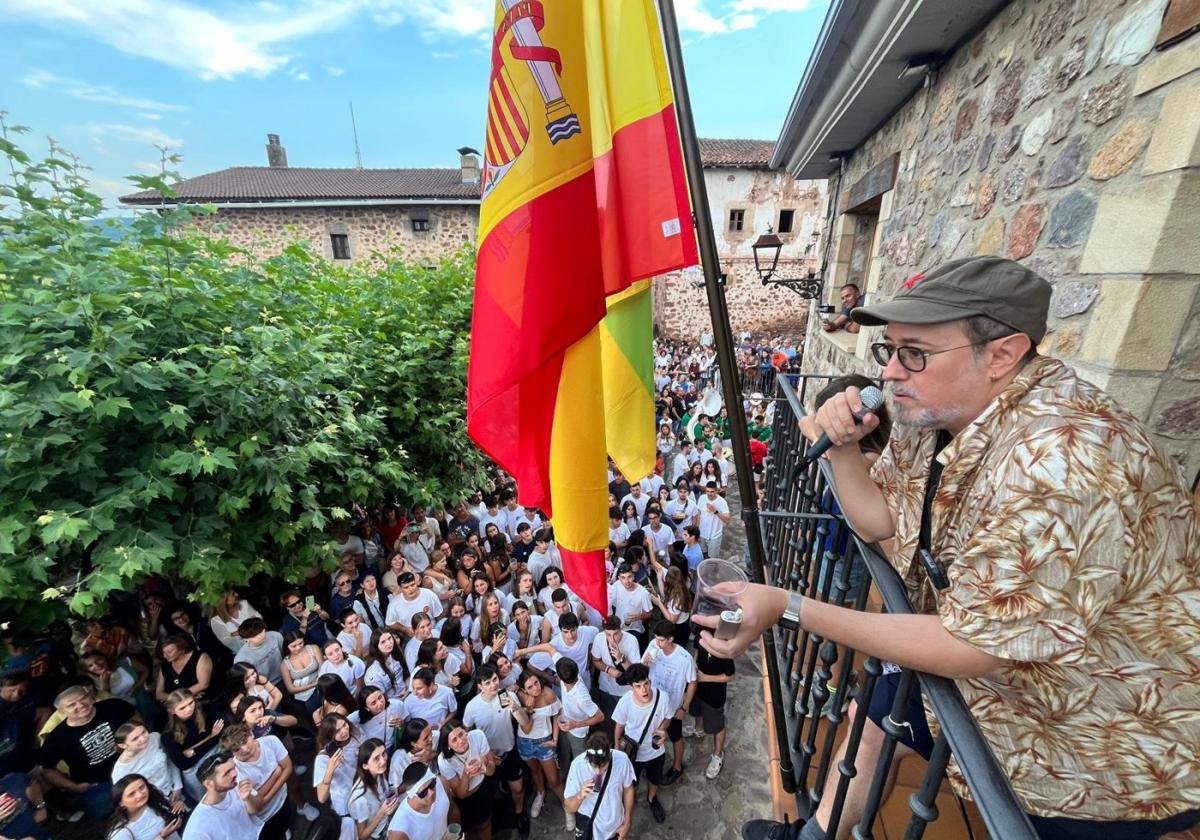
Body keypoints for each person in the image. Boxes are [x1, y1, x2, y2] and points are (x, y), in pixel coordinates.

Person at [699, 257, 1200, 840]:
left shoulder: (1067, 459)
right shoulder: (936, 413)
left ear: (1003, 354)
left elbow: (971, 644)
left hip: (1090, 745)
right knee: (869, 724)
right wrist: (839, 445)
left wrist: (789, 606)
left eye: (914, 353)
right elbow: (878, 520)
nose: (889, 372)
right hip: (970, 670)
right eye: (888, 350)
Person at [39, 685, 137, 819]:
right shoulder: (57, 738)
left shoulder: (114, 706)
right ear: (62, 711)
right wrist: (74, 787)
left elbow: (134, 716)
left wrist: (138, 742)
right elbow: (47, 769)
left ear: (91, 697)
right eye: (72, 704)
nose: (80, 705)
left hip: (134, 764)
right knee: (108, 816)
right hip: (99, 784)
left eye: (83, 698)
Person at [462, 665, 528, 835]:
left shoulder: (505, 696)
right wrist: (485, 753)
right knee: (493, 791)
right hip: (488, 757)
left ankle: (519, 813)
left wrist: (515, 708)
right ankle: (498, 814)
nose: (493, 685)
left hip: (509, 751)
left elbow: (525, 722)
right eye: (488, 683)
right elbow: (467, 734)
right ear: (480, 686)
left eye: (495, 680)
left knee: (518, 789)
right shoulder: (472, 707)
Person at [611, 664, 670, 825]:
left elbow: (668, 717)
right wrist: (616, 747)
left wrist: (662, 730)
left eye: (646, 684)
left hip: (655, 751)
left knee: (654, 779)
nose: (644, 690)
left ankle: (652, 799)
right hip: (632, 753)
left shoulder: (662, 697)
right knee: (630, 783)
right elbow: (619, 726)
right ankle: (627, 805)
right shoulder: (625, 703)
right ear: (631, 687)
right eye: (638, 686)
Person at [512, 671, 567, 831]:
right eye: (529, 686)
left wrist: (555, 740)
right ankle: (541, 794)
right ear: (523, 689)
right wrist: (527, 709)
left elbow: (556, 715)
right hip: (525, 741)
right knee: (535, 771)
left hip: (544, 741)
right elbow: (525, 727)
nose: (535, 688)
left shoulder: (548, 694)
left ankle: (566, 805)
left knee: (554, 779)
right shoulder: (519, 697)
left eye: (536, 682)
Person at [643, 621, 696, 786]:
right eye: (656, 639)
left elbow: (693, 682)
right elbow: (642, 667)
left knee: (676, 737)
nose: (657, 643)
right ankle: (650, 762)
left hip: (671, 707)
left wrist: (684, 707)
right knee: (651, 733)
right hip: (652, 701)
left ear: (671, 639)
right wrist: (646, 662)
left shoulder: (684, 658)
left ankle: (677, 766)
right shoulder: (653, 646)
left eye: (661, 640)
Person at [220, 723, 292, 840]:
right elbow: (255, 804)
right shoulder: (235, 772)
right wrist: (276, 774)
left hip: (283, 798)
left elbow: (288, 768)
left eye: (244, 741)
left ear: (252, 734)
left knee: (286, 820)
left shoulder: (271, 741)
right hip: (264, 818)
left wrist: (264, 797)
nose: (245, 749)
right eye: (237, 749)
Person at [563, 733, 636, 840]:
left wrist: (628, 820)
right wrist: (580, 795)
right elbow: (569, 807)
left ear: (610, 756)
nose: (598, 772)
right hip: (589, 827)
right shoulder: (577, 766)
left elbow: (628, 789)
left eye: (603, 766)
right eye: (594, 766)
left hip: (615, 827)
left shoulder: (622, 760)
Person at [437, 719, 497, 839]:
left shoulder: (478, 736)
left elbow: (491, 771)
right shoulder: (444, 760)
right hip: (464, 800)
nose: (461, 741)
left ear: (466, 732)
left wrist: (484, 766)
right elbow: (461, 794)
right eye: (454, 740)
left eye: (461, 734)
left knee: (485, 824)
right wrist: (466, 773)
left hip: (482, 788)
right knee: (468, 827)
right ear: (448, 746)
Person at [181, 752, 261, 839]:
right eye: (227, 773)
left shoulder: (235, 783)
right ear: (208, 784)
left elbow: (258, 807)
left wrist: (248, 799)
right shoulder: (197, 829)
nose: (234, 774)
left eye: (233, 768)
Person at [689, 646, 735, 780]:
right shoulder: (701, 632)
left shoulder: (724, 647)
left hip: (714, 695)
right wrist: (694, 662)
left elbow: (730, 676)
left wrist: (705, 678)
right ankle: (699, 729)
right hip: (698, 687)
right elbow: (698, 649)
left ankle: (717, 755)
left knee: (717, 726)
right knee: (696, 710)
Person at [111, 723, 184, 807]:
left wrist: (178, 786)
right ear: (123, 745)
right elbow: (128, 798)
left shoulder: (155, 738)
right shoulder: (120, 771)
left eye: (143, 732)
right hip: (156, 803)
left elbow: (170, 759)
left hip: (176, 786)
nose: (143, 738)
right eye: (135, 739)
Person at [555, 657, 603, 771]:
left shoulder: (582, 697)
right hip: (563, 724)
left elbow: (600, 716)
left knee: (580, 761)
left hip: (578, 733)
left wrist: (575, 725)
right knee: (563, 756)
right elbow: (549, 648)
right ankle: (566, 778)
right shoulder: (567, 675)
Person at [348, 737, 400, 840]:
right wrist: (382, 813)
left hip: (388, 821)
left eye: (384, 754)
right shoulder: (361, 799)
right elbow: (362, 836)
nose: (383, 760)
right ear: (365, 765)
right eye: (376, 758)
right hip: (378, 835)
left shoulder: (379, 774)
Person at [590, 616, 640, 720]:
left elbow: (636, 671)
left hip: (626, 692)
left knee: (626, 720)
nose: (612, 639)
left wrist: (621, 658)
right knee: (609, 718)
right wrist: (608, 669)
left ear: (621, 630)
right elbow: (595, 660)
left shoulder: (632, 641)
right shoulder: (599, 638)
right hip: (606, 688)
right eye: (608, 635)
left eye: (616, 634)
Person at [106, 774, 183, 840]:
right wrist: (161, 837)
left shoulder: (155, 801)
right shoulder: (121, 833)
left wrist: (178, 806)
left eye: (142, 787)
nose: (140, 794)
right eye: (131, 794)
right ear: (121, 803)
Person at [385, 761, 450, 840]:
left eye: (432, 784)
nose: (431, 793)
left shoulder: (441, 783)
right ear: (412, 796)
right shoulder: (399, 831)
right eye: (423, 792)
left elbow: (452, 811)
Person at [607, 565, 653, 654]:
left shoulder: (643, 593)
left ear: (633, 576)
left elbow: (650, 613)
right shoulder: (616, 585)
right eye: (623, 578)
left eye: (629, 577)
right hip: (618, 628)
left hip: (635, 629)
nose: (626, 581)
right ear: (619, 578)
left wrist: (639, 616)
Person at [697, 481, 731, 558]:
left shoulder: (722, 502)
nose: (709, 494)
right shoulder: (702, 498)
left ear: (716, 491)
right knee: (703, 555)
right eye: (707, 491)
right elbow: (699, 515)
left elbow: (727, 520)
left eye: (712, 491)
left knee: (713, 560)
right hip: (702, 534)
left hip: (714, 535)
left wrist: (715, 511)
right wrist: (697, 530)